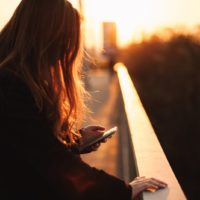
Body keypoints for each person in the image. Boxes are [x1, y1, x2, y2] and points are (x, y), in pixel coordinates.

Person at [0, 0, 167, 199]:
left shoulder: (14, 78)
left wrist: (75, 141)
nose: (65, 53)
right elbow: (54, 163)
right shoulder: (9, 85)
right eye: (65, 42)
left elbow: (31, 146)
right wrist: (124, 190)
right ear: (48, 39)